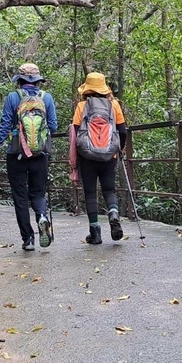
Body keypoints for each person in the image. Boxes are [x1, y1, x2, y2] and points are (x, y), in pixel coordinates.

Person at [0, 63, 58, 251]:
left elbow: (4, 126)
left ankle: (28, 240)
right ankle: (42, 216)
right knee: (38, 193)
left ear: (19, 80)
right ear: (37, 81)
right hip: (40, 154)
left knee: (20, 197)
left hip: (16, 153)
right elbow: (53, 126)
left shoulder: (13, 97)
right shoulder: (47, 98)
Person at [69, 72, 128, 245]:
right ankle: (113, 213)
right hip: (109, 155)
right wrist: (119, 148)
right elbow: (122, 131)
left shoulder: (82, 106)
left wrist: (74, 159)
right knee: (109, 190)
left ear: (87, 89)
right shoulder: (114, 105)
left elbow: (76, 132)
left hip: (87, 155)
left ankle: (95, 234)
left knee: (90, 193)